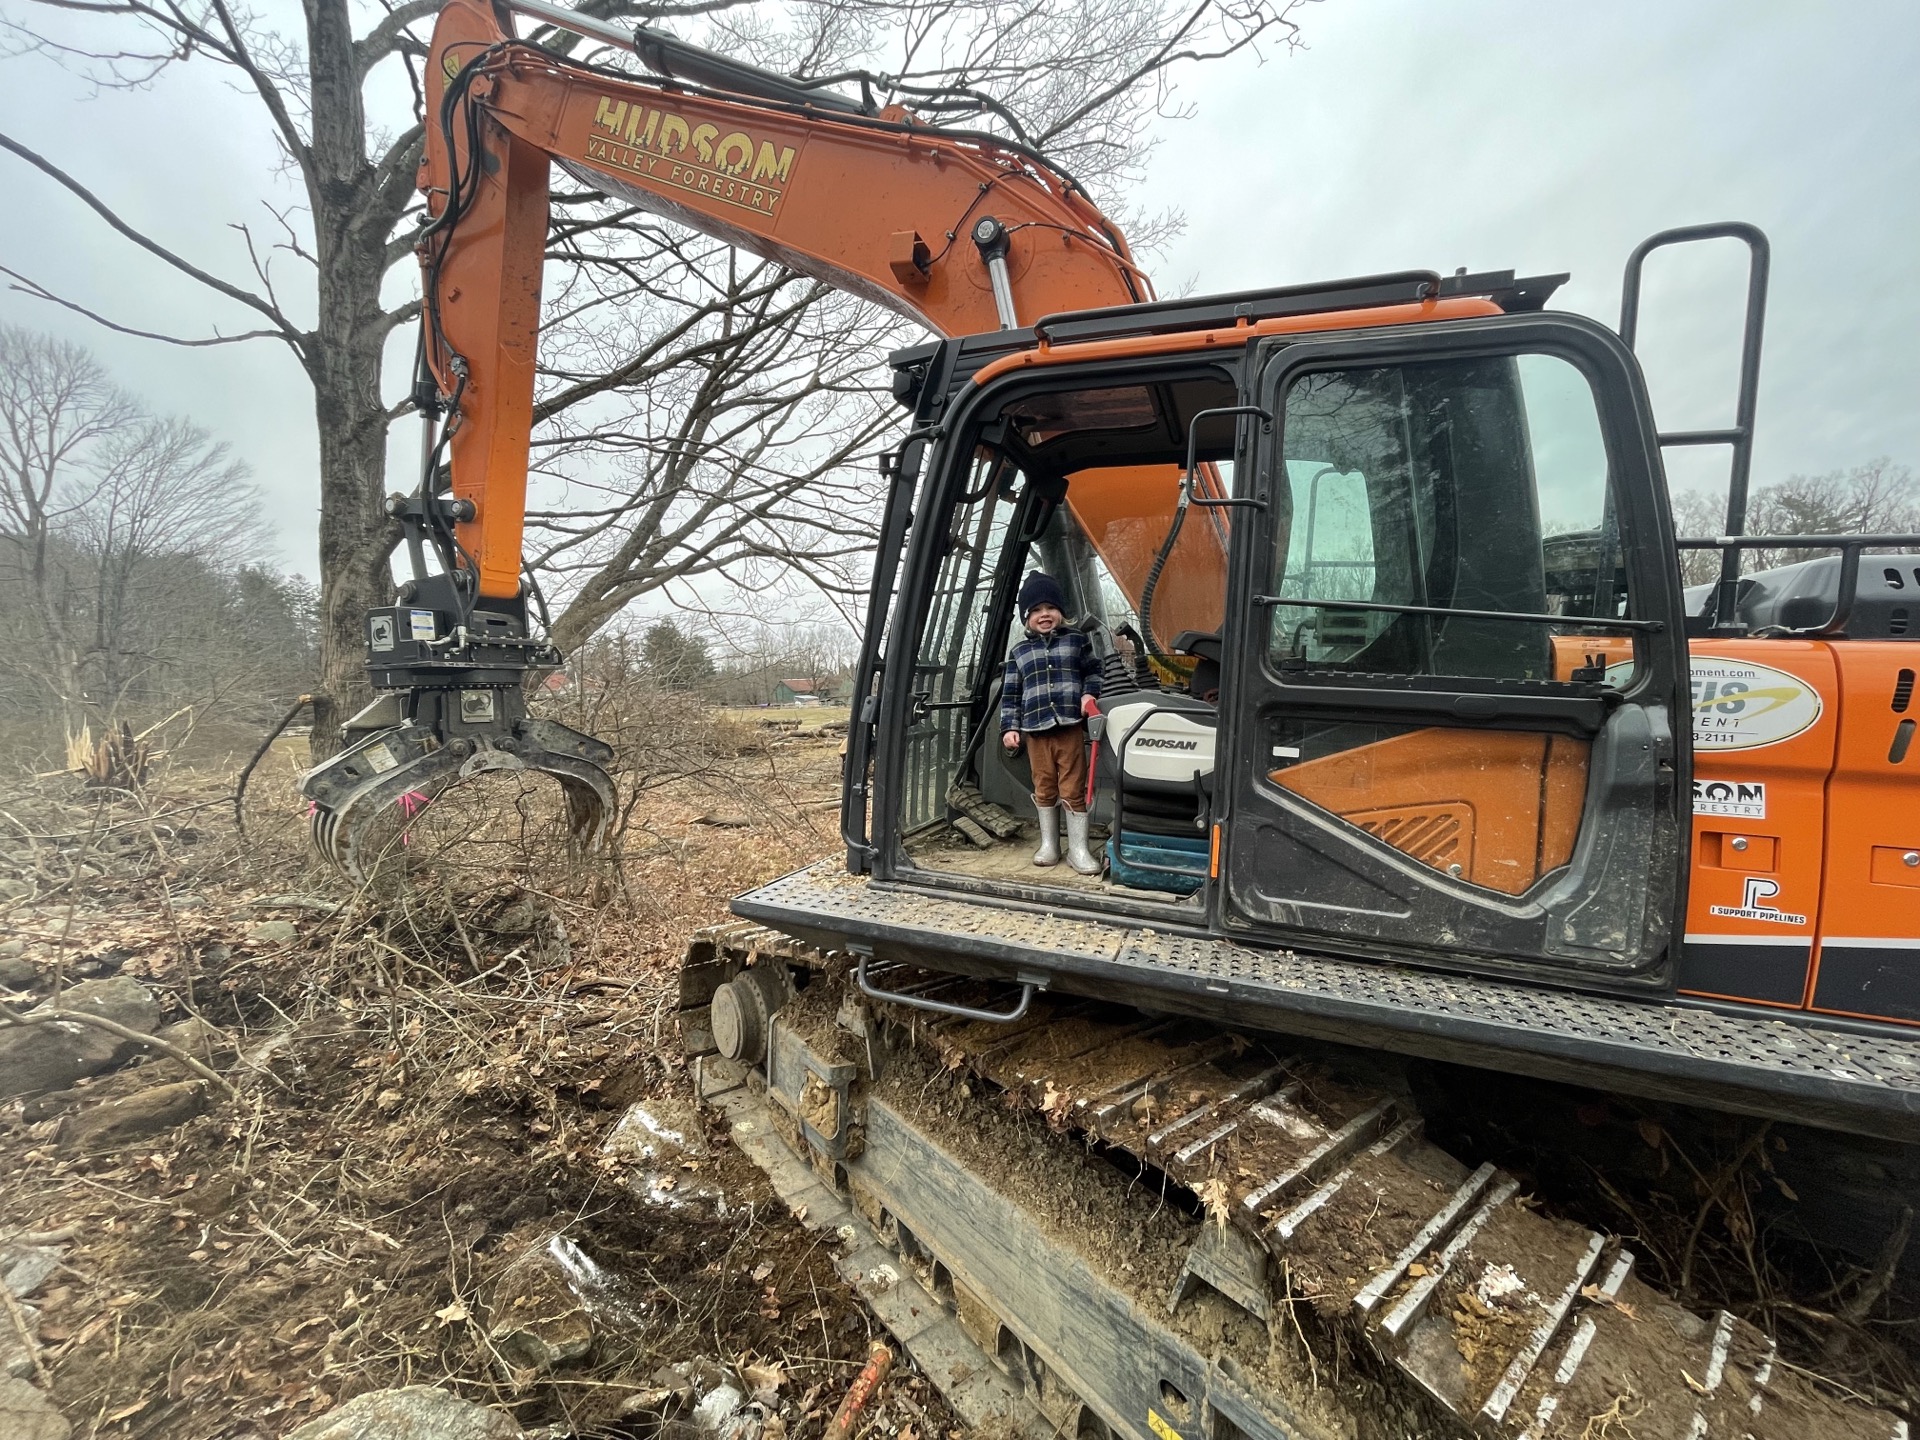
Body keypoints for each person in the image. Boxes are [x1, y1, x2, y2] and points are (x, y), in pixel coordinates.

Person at [1000, 572, 1102, 875]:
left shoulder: (1077, 640)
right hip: (1034, 730)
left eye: (1050, 608)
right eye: (1035, 610)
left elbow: (1093, 672)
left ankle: (1078, 849)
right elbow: (1011, 694)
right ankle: (1050, 845)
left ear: (1061, 612)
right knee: (1043, 784)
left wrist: (1087, 696)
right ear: (1026, 618)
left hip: (1069, 725)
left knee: (1073, 785)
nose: (1044, 614)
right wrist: (1009, 727)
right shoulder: (1019, 652)